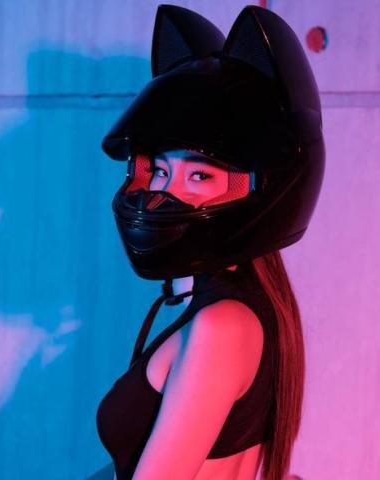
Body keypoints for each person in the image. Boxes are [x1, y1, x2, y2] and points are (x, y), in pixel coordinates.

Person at [96, 4, 324, 480]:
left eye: (199, 175)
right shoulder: (244, 308)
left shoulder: (221, 325)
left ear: (258, 188)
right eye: (161, 171)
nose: (166, 193)